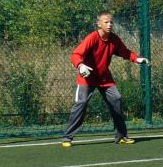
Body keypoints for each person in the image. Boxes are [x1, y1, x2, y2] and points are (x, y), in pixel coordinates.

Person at [60, 11, 149, 147]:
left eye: (111, 22)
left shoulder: (114, 39)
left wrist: (137, 59)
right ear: (99, 24)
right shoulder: (92, 38)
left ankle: (121, 136)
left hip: (104, 78)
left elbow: (125, 52)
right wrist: (81, 66)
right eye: (106, 22)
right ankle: (67, 137)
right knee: (81, 103)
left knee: (116, 99)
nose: (109, 24)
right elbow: (75, 54)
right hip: (87, 78)